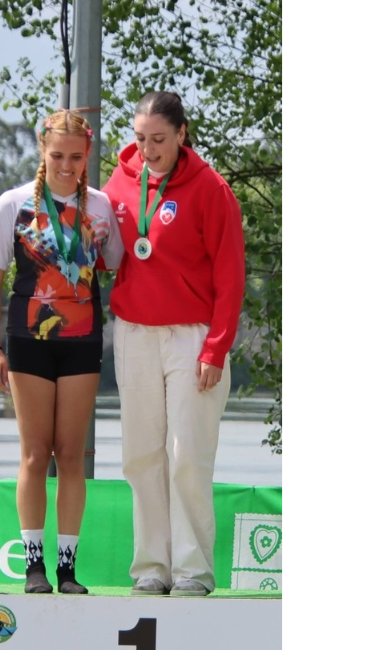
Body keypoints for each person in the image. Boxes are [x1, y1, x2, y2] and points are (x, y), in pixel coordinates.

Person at [101, 91, 246, 598]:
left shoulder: (211, 188)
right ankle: (151, 567)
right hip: (134, 332)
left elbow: (230, 276)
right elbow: (105, 249)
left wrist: (216, 348)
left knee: (187, 453)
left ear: (182, 133)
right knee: (140, 453)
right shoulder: (117, 182)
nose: (148, 149)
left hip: (193, 335)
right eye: (141, 139)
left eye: (159, 139)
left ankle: (192, 571)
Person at [0, 108, 124, 595]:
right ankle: (34, 567)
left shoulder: (101, 207)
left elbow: (120, 265)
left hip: (82, 341)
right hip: (28, 340)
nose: (67, 165)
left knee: (72, 456)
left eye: (77, 157)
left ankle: (68, 569)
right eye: (58, 155)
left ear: (88, 157)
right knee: (36, 455)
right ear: (43, 150)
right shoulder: (13, 204)